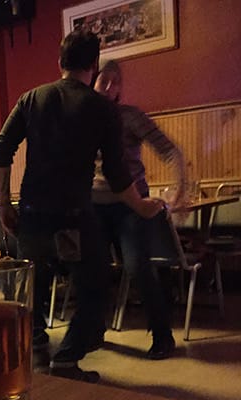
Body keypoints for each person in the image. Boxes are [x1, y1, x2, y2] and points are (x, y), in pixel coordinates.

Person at [0, 31, 165, 383]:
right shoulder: (102, 108)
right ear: (93, 65)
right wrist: (142, 205)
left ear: (60, 63)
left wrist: (3, 204)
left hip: (32, 214)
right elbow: (117, 174)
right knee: (95, 285)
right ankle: (67, 358)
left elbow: (1, 149)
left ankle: (38, 355)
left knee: (35, 288)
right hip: (72, 217)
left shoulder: (31, 98)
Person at [92, 58, 191, 360]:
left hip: (131, 206)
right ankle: (94, 332)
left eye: (115, 81)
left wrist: (180, 190)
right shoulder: (82, 119)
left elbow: (172, 151)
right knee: (92, 269)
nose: (109, 87)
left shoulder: (130, 116)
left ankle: (162, 336)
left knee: (138, 267)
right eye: (103, 80)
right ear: (92, 81)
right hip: (94, 206)